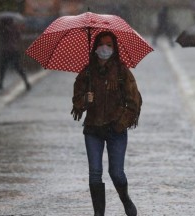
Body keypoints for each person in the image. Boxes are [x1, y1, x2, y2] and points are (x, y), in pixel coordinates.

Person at [71, 31, 142, 216]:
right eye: (101, 44)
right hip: (93, 129)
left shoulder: (122, 72)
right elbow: (76, 100)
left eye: (109, 45)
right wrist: (85, 100)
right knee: (95, 173)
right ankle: (99, 214)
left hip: (115, 130)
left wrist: (121, 122)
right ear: (95, 47)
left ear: (114, 48)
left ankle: (125, 199)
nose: (105, 48)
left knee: (116, 173)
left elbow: (134, 102)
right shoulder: (87, 72)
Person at [0, 17, 30, 90]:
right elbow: (18, 37)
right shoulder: (15, 28)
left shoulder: (3, 29)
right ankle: (26, 82)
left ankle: (0, 83)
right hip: (15, 50)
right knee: (18, 68)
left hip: (6, 51)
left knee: (2, 68)